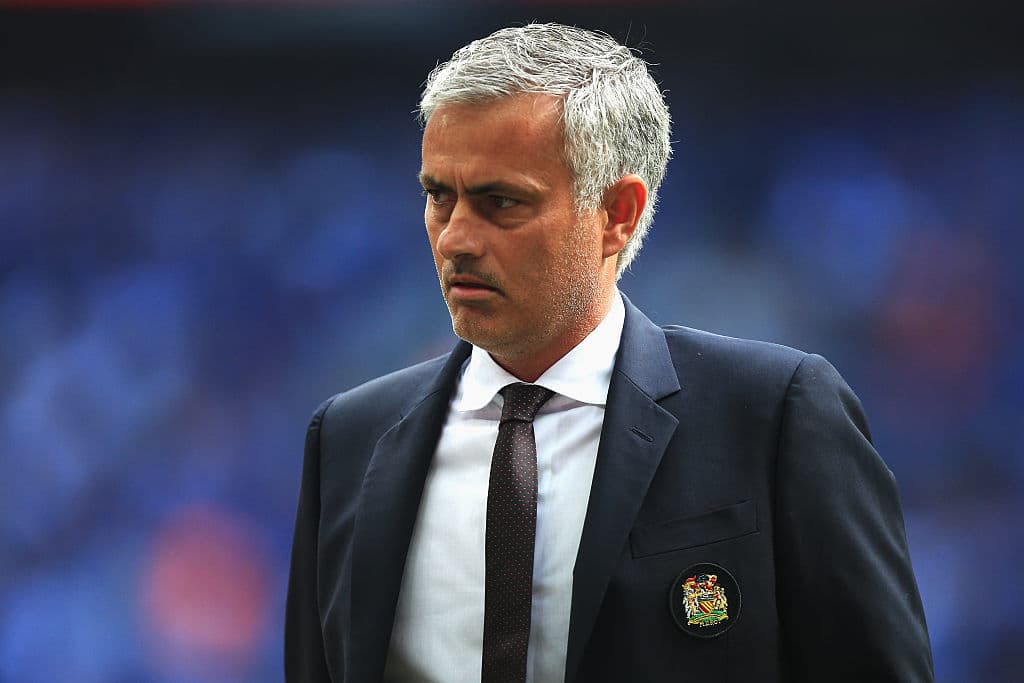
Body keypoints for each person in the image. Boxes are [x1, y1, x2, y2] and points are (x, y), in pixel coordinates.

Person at [285, 23, 934, 683]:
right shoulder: (348, 438)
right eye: (438, 196)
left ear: (617, 213)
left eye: (501, 202)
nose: (455, 238)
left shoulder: (773, 414)